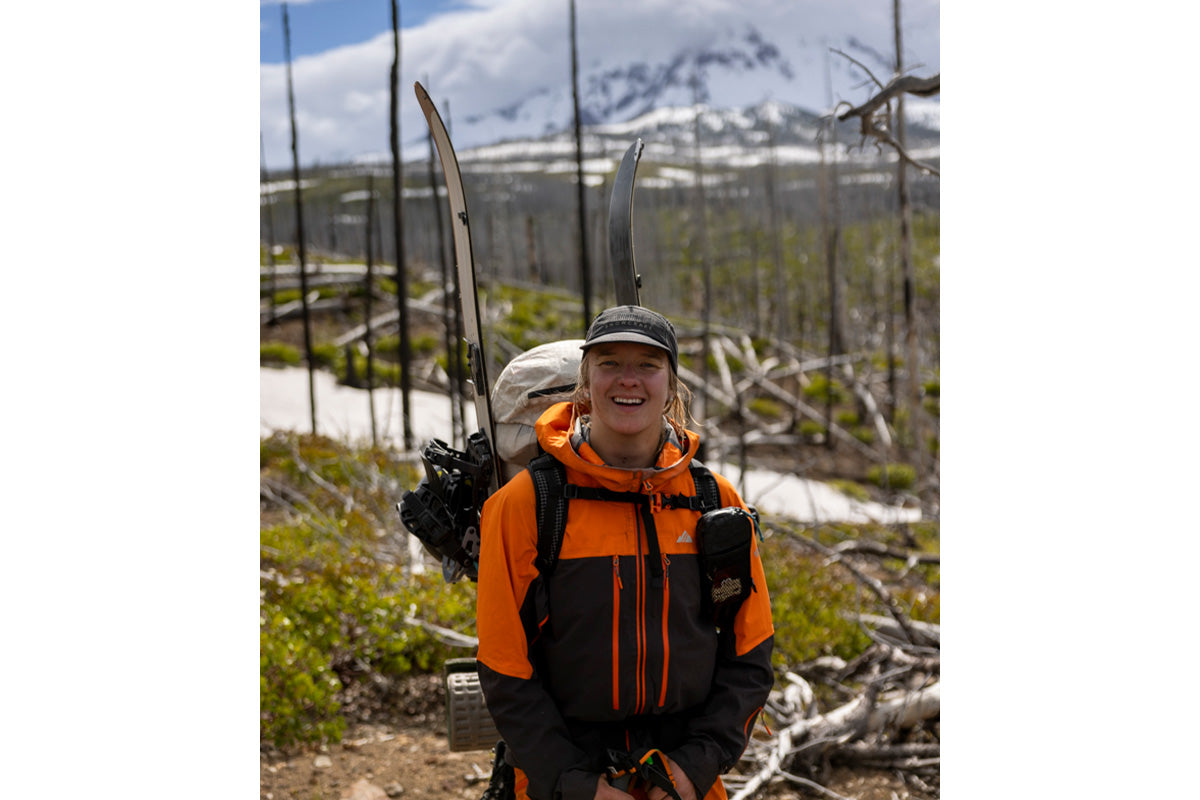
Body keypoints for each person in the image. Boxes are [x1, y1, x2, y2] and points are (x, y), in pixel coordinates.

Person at [475, 305, 775, 800]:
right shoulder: (527, 504)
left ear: (672, 385)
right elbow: (504, 668)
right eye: (609, 363)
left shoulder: (714, 501)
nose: (628, 380)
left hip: (681, 775)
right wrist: (575, 784)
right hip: (561, 777)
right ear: (585, 382)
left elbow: (751, 651)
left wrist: (693, 767)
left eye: (648, 365)